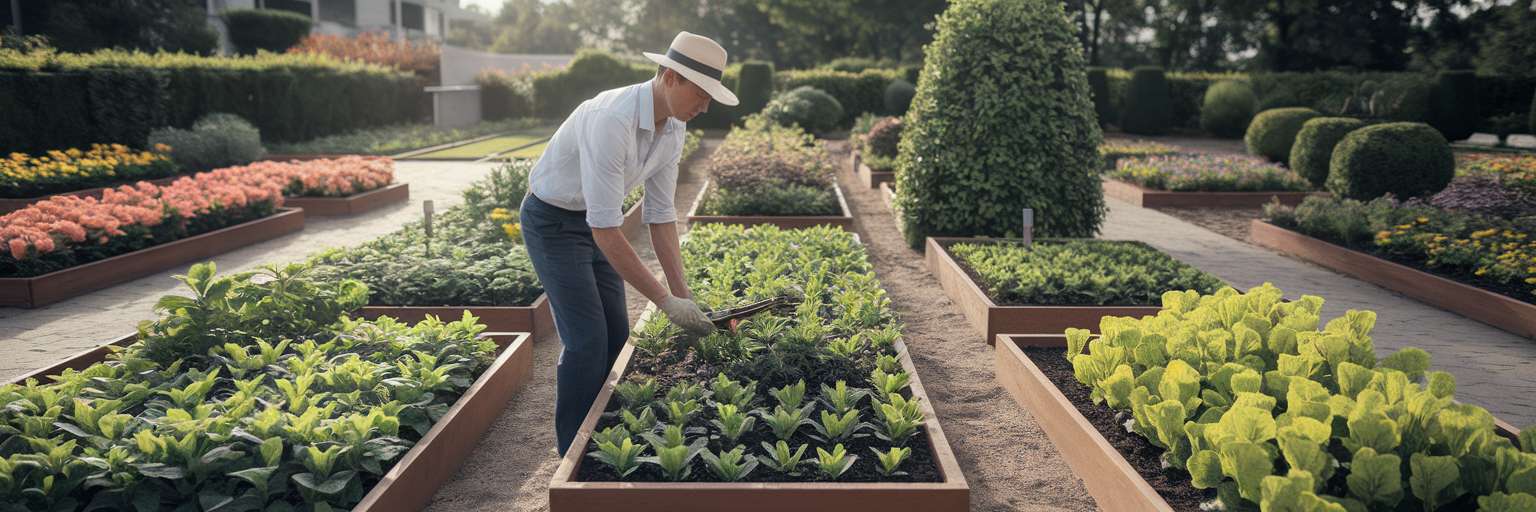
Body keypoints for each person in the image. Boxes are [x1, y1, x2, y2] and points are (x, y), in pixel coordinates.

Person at [521, 31, 738, 455]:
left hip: (596, 222)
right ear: (672, 76)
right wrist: (664, 302)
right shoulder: (612, 118)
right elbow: (605, 229)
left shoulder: (673, 128)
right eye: (702, 92)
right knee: (586, 342)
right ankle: (574, 455)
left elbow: (660, 216)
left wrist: (683, 294)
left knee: (617, 337)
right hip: (553, 224)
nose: (706, 105)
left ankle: (609, 441)